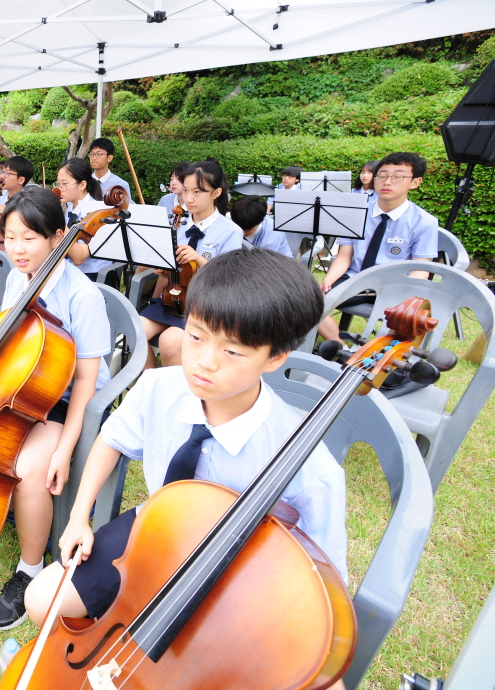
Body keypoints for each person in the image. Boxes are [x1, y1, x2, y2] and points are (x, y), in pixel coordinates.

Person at [23, 248, 348, 646]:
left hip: (238, 575)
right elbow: (111, 439)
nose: (204, 362)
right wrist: (78, 517)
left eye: (232, 351)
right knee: (40, 600)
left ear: (274, 358)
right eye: (195, 336)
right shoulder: (159, 387)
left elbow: (326, 580)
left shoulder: (311, 468)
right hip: (157, 529)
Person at [0, 186, 113, 630]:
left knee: (29, 469)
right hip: (19, 386)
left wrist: (65, 449)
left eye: (29, 238)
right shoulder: (17, 279)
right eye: (10, 237)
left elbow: (85, 383)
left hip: (62, 400)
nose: (17, 249)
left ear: (58, 237)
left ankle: (30, 567)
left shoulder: (82, 296)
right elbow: (5, 341)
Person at [317, 152, 438, 343]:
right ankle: (341, 349)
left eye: (397, 177)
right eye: (382, 175)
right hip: (355, 279)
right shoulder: (357, 212)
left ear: (415, 182)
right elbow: (345, 256)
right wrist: (328, 281)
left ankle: (379, 352)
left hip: (395, 285)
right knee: (311, 303)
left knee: (408, 320)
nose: (387, 182)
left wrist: (405, 298)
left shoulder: (424, 222)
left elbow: (420, 269)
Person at [141, 160, 243, 368]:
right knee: (134, 332)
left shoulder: (230, 231)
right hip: (172, 299)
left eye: (197, 192)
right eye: (186, 190)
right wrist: (161, 268)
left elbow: (229, 280)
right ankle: (151, 381)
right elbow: (165, 265)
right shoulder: (178, 223)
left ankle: (180, 387)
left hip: (205, 307)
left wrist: (199, 259)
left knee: (169, 343)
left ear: (216, 193)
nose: (188, 198)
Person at [56, 158, 109, 281]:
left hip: (93, 275)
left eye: (64, 184)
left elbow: (78, 258)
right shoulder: (71, 207)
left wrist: (57, 220)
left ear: (82, 185)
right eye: (58, 184)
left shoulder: (94, 212)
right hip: (72, 270)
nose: (59, 189)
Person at [0, 155, 33, 245]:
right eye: (3, 172)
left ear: (21, 180)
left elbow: (29, 230)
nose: (2, 176)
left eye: (8, 173)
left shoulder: (29, 201)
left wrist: (6, 211)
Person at [86, 138, 131, 207]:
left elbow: (126, 209)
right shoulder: (84, 182)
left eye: (99, 154)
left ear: (109, 158)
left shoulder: (120, 185)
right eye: (91, 154)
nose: (94, 158)